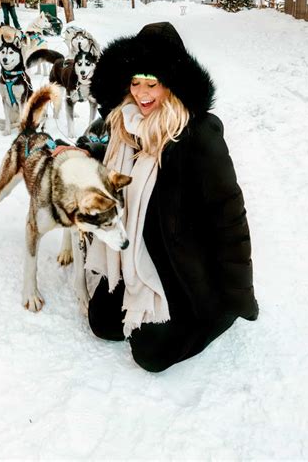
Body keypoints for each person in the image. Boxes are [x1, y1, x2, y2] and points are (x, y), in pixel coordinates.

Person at [85, 22, 258, 372]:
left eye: (153, 83)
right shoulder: (124, 127)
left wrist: (239, 295)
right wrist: (78, 155)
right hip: (137, 256)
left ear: (172, 85)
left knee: (150, 354)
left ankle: (216, 314)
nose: (142, 94)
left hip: (182, 267)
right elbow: (103, 156)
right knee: (102, 323)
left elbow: (229, 219)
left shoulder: (198, 136)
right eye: (135, 82)